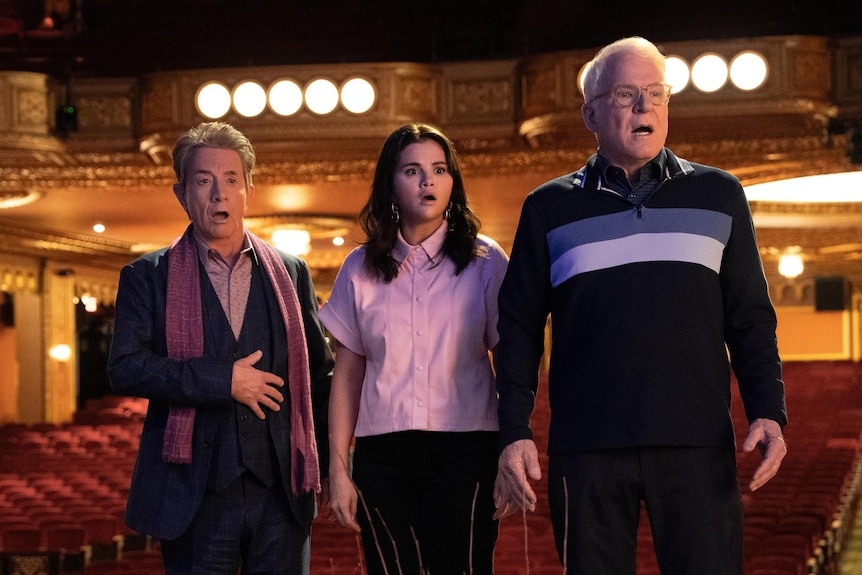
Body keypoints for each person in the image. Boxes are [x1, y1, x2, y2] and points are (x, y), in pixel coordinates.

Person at [492, 37, 788, 575]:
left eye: (656, 93)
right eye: (625, 94)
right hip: (586, 449)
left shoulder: (720, 194)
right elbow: (518, 330)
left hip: (697, 444)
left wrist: (767, 409)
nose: (644, 106)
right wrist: (514, 431)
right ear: (591, 114)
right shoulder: (547, 208)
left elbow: (749, 316)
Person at [107, 121, 333, 575]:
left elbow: (319, 375)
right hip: (193, 495)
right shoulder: (146, 276)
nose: (219, 194)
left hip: (281, 493)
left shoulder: (291, 271)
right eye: (203, 181)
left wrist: (330, 468)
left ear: (249, 190)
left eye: (231, 179)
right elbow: (125, 368)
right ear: (181, 193)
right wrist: (222, 380)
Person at [319, 123, 508, 575]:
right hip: (382, 455)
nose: (428, 181)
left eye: (440, 170)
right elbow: (347, 374)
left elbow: (511, 362)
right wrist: (338, 469)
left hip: (468, 450)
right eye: (412, 171)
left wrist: (511, 450)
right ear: (390, 183)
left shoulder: (485, 261)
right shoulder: (359, 267)